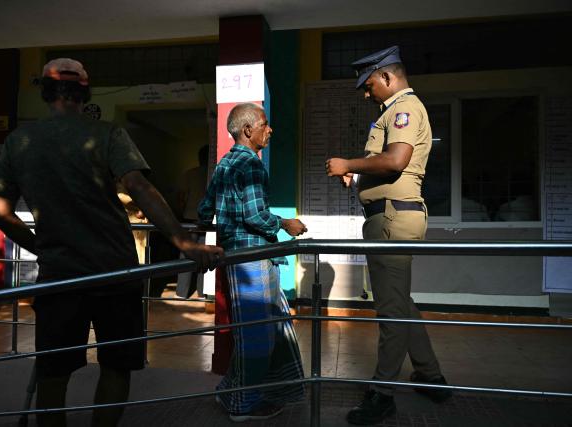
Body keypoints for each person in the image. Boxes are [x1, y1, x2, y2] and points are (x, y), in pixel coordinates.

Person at [0, 58, 223, 427]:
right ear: (85, 92)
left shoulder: (19, 141)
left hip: (60, 275)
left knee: (53, 371)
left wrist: (41, 247)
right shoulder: (107, 134)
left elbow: (0, 212)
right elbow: (140, 188)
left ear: (46, 93)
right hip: (116, 271)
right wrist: (184, 242)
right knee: (116, 365)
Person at [325, 46, 452, 425]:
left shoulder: (403, 108)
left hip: (393, 219)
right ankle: (431, 376)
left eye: (368, 85)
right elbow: (387, 164)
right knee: (399, 302)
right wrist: (360, 174)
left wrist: (348, 163)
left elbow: (397, 160)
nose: (366, 93)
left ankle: (383, 394)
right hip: (388, 218)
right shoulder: (393, 110)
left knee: (391, 311)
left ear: (387, 77)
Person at [197, 103, 307, 422]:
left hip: (234, 257)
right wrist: (286, 224)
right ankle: (243, 404)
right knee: (259, 335)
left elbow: (206, 209)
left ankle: (235, 391)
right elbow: (255, 215)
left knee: (252, 331)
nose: (269, 130)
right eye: (265, 124)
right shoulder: (252, 165)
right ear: (248, 130)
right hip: (253, 260)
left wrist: (210, 227)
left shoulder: (225, 163)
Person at [176, 144, 209, 298]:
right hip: (207, 221)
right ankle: (202, 292)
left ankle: (181, 293)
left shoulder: (189, 174)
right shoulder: (212, 174)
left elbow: (181, 198)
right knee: (204, 254)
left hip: (189, 218)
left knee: (186, 254)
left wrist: (181, 213)